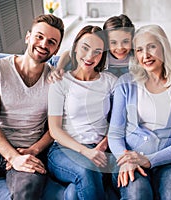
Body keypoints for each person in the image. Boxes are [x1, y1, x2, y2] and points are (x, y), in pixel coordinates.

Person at [0, 14, 64, 199]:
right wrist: (13, 157)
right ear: (28, 37)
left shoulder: (56, 80)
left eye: (51, 42)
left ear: (56, 50)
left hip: (29, 151)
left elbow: (55, 128)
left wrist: (33, 151)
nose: (43, 44)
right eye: (39, 36)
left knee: (28, 192)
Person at [108, 24, 171, 200]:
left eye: (152, 47)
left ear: (163, 48)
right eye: (139, 50)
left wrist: (149, 160)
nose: (146, 55)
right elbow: (115, 134)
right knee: (137, 194)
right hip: (130, 158)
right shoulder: (126, 84)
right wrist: (125, 159)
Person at [47, 25, 117, 200]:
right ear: (76, 47)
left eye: (97, 51)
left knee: (73, 194)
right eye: (85, 48)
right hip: (65, 149)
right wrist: (86, 152)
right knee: (87, 170)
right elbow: (54, 130)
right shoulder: (60, 81)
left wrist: (104, 145)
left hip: (100, 148)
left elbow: (121, 120)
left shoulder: (110, 82)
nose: (89, 56)